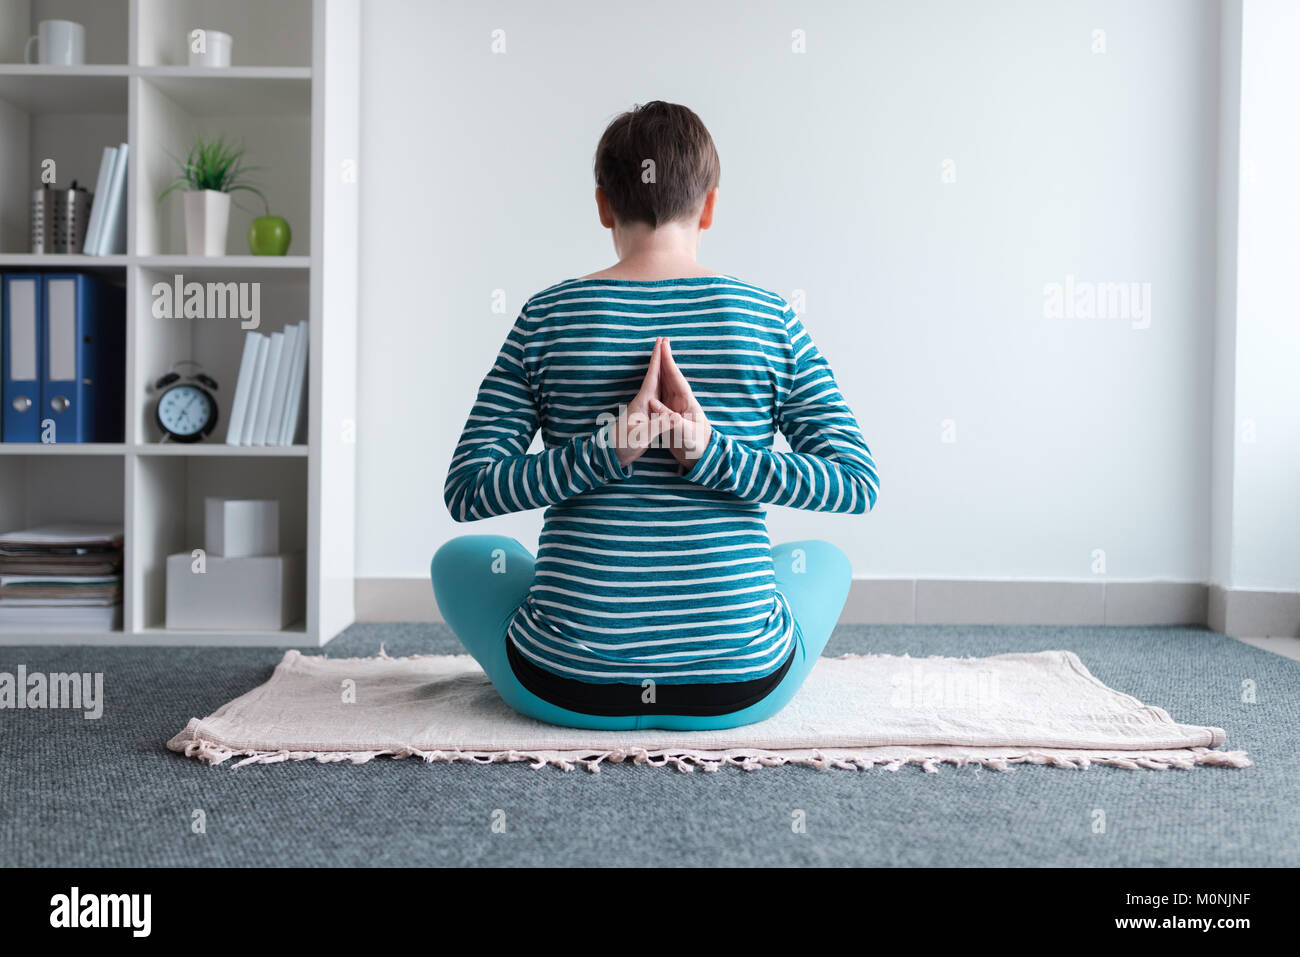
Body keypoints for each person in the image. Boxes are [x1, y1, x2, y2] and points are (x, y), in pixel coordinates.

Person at [433, 101, 877, 731]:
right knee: (820, 560)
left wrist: (603, 453)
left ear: (603, 206)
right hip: (738, 688)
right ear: (711, 206)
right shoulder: (768, 319)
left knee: (466, 557)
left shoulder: (547, 317)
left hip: (565, 686)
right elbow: (856, 483)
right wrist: (714, 454)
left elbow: (468, 491)